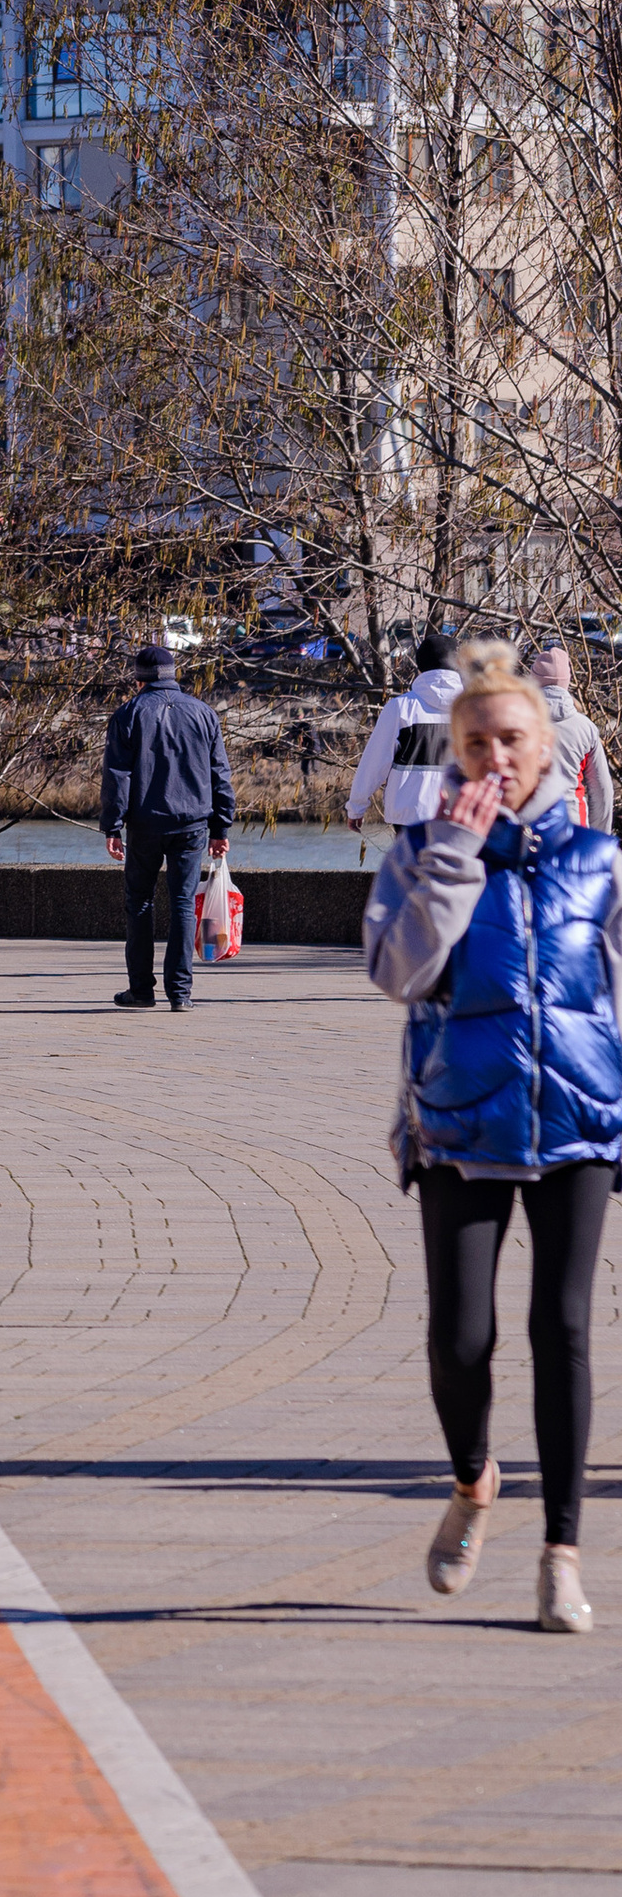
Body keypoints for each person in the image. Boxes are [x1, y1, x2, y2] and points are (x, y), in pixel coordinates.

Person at [363, 642, 614, 1634]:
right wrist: (455, 862)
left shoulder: (601, 860)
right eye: (476, 744)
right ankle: (473, 1482)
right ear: (456, 753)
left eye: (512, 739)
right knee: (460, 1339)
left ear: (548, 744)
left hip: (577, 1121)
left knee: (563, 1331)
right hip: (458, 1121)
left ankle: (560, 1553)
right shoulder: (421, 850)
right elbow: (399, 974)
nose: (495, 757)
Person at [100, 638, 234, 1012]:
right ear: (174, 676)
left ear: (138, 680)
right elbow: (220, 774)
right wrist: (221, 828)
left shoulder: (129, 713)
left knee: (140, 903)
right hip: (192, 823)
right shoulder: (203, 713)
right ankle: (180, 992)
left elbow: (117, 775)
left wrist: (112, 826)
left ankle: (141, 990)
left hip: (144, 823)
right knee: (183, 903)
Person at [346, 623, 462, 832]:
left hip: (410, 812)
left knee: (412, 865)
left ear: (420, 666)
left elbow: (375, 761)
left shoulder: (401, 708)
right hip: (460, 811)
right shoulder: (474, 710)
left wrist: (356, 807)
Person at [532, 638, 612, 831]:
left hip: (526, 830)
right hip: (574, 826)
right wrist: (600, 837)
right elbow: (602, 791)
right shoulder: (585, 728)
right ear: (566, 683)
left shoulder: (515, 723)